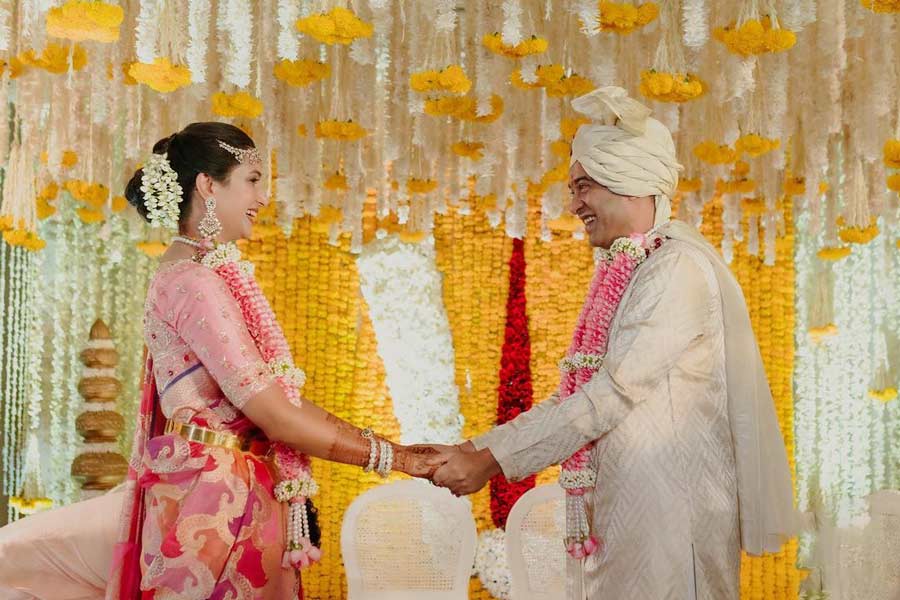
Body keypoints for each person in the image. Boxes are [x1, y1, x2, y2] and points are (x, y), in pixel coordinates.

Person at [0, 122, 442, 600]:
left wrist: (400, 455)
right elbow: (278, 417)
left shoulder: (202, 273)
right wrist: (397, 458)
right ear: (208, 186)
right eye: (252, 180)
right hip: (214, 499)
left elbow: (279, 404)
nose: (263, 196)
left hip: (221, 484)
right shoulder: (193, 281)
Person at [429, 87, 796, 600]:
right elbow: (577, 394)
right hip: (626, 513)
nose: (574, 203)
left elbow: (611, 392)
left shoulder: (675, 269)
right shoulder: (632, 268)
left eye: (584, 186)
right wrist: (476, 449)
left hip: (670, 518)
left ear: (629, 184)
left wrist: (489, 461)